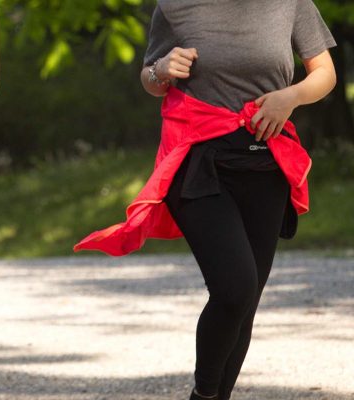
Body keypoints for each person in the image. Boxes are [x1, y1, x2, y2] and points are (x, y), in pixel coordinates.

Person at [74, 1, 336, 399]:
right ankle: (204, 393)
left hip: (265, 165)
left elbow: (325, 74)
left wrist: (290, 98)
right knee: (234, 287)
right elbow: (149, 76)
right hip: (196, 160)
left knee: (245, 304)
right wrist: (161, 70)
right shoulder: (176, 4)